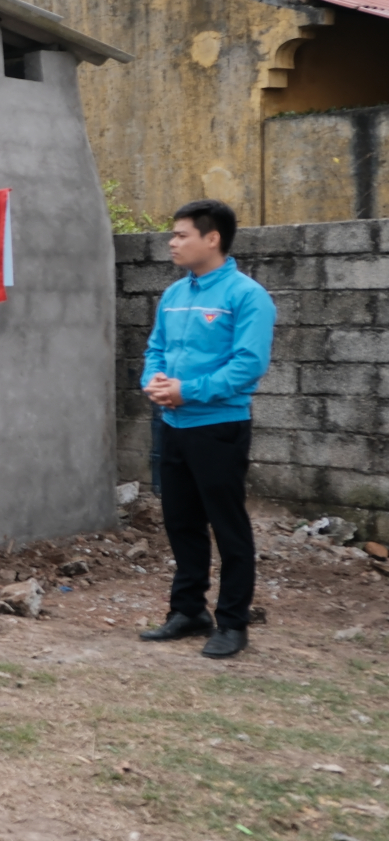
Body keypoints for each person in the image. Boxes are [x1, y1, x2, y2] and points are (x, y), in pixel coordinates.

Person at [138, 199, 275, 660]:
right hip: (172, 425)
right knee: (181, 522)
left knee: (227, 525)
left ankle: (233, 622)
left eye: (180, 235)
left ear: (211, 238)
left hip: (218, 428)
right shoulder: (174, 295)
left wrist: (188, 391)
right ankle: (188, 610)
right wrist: (152, 382)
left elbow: (248, 366)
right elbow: (155, 349)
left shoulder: (246, 295)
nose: (172, 243)